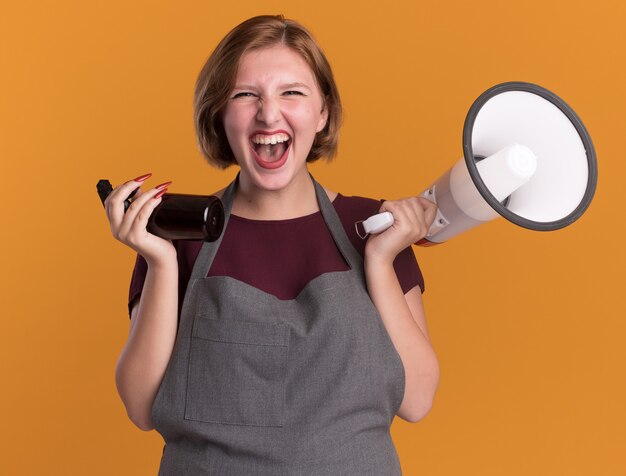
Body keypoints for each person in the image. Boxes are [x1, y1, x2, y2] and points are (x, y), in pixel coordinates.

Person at [104, 14, 440, 475]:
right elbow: (142, 407)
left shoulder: (375, 226)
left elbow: (418, 400)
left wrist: (380, 261)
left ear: (323, 113)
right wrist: (160, 262)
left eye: (292, 92)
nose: (268, 113)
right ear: (220, 115)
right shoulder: (176, 235)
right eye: (245, 95)